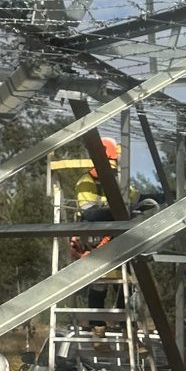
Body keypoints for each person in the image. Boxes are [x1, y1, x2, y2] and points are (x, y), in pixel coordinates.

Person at [70, 138, 123, 329]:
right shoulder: (86, 182)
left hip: (112, 240)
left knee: (125, 284)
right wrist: (117, 208)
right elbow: (89, 212)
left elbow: (136, 196)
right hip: (91, 239)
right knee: (99, 282)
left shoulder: (116, 182)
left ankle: (125, 324)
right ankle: (97, 326)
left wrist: (162, 196)